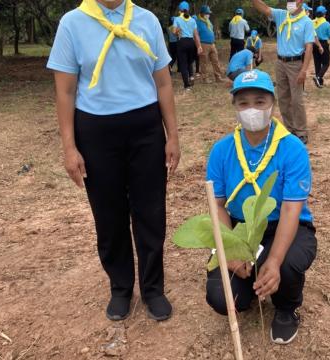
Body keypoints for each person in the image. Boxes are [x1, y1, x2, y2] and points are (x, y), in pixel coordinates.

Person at [47, 0, 180, 322]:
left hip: (145, 129)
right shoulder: (73, 23)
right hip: (95, 131)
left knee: (150, 212)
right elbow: (65, 91)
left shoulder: (146, 20)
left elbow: (162, 82)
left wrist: (172, 135)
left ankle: (153, 288)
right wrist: (69, 147)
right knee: (109, 215)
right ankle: (120, 287)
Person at [206, 69, 317, 345]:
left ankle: (286, 308)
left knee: (285, 265)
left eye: (260, 101)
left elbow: (292, 209)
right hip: (241, 229)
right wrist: (230, 249)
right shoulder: (221, 151)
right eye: (243, 103)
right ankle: (252, 289)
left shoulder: (292, 149)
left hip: (286, 226)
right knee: (223, 298)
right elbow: (217, 205)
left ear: (272, 104)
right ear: (234, 107)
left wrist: (275, 260)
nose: (252, 109)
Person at [252, 0, 315, 145]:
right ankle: (290, 129)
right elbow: (264, 8)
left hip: (296, 64)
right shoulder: (281, 15)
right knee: (283, 98)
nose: (289, 3)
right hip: (280, 62)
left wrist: (304, 70)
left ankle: (301, 132)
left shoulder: (307, 22)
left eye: (292, 1)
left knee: (297, 100)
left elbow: (309, 47)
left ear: (300, 2)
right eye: (288, 1)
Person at [173, 1, 203, 90]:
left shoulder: (177, 19)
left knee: (183, 64)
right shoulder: (193, 20)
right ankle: (191, 77)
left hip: (182, 42)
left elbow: (174, 32)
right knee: (190, 62)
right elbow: (196, 34)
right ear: (188, 9)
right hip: (191, 42)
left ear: (180, 9)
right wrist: (199, 46)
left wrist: (177, 30)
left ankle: (186, 85)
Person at [195, 5, 225, 83]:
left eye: (209, 13)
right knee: (204, 62)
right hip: (203, 44)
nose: (208, 15)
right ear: (202, 13)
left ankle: (218, 77)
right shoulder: (197, 22)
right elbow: (196, 34)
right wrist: (198, 46)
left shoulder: (208, 21)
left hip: (212, 44)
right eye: (206, 13)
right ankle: (205, 78)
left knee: (216, 61)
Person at [312, 6, 330, 88]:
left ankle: (319, 82)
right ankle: (319, 77)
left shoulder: (312, 22)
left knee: (317, 63)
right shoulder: (326, 24)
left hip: (314, 44)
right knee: (326, 63)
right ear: (324, 14)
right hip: (323, 44)